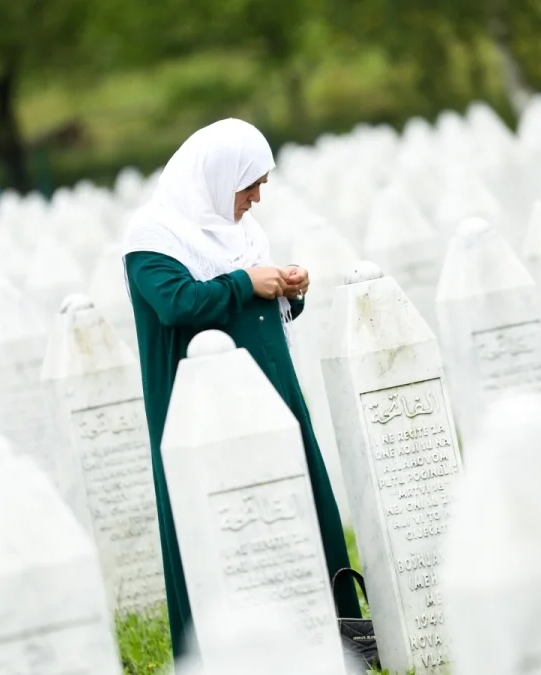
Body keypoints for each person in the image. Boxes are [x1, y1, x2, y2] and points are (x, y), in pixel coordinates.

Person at [122, 118, 360, 658]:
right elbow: (176, 304)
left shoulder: (245, 235)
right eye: (248, 185)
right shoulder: (153, 235)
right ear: (213, 178)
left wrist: (287, 288)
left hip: (272, 391)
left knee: (293, 504)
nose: (256, 198)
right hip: (202, 409)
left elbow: (256, 307)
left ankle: (331, 636)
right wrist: (246, 281)